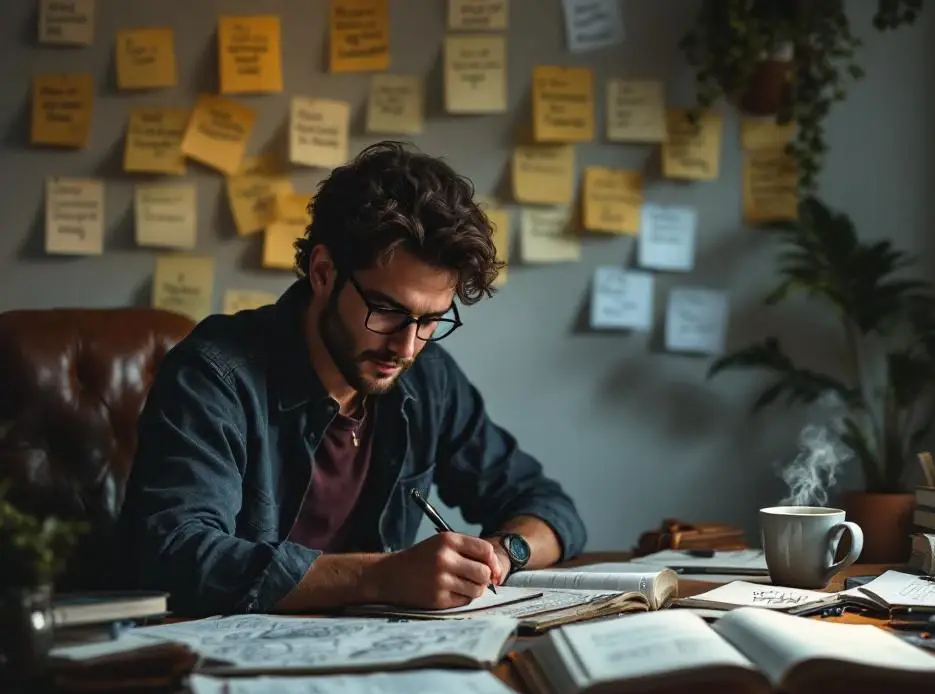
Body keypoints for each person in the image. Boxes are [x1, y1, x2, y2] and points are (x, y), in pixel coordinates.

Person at [116, 141, 587, 617]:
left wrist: (504, 555)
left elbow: (549, 506)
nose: (406, 348)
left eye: (430, 320)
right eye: (386, 310)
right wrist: (381, 576)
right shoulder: (216, 373)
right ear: (323, 272)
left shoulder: (429, 379)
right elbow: (176, 555)